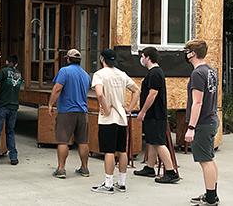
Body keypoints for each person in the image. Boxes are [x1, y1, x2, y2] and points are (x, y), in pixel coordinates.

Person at [90, 49, 140, 194]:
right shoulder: (121, 74)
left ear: (101, 59)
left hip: (108, 119)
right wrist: (129, 108)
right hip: (121, 118)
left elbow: (99, 93)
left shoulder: (100, 74)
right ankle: (122, 182)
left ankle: (108, 183)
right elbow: (136, 90)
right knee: (122, 151)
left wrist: (105, 109)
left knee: (109, 151)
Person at [133, 47, 180, 183]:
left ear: (148, 57)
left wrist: (143, 111)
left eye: (142, 56)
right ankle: (150, 167)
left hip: (155, 114)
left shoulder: (155, 73)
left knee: (159, 142)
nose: (141, 59)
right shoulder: (154, 73)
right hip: (152, 114)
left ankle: (171, 172)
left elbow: (153, 94)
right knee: (151, 141)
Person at [184, 40, 220, 206]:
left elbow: (197, 102)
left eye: (187, 51)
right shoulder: (211, 71)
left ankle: (211, 199)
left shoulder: (197, 74)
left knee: (205, 161)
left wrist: (191, 127)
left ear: (193, 54)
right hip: (211, 119)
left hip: (203, 123)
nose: (186, 54)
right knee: (209, 159)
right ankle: (211, 192)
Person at [47, 49, 91, 179]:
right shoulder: (86, 75)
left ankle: (61, 169)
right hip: (83, 112)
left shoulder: (64, 71)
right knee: (83, 141)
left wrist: (50, 104)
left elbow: (58, 88)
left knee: (63, 141)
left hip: (67, 111)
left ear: (68, 59)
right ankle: (84, 168)